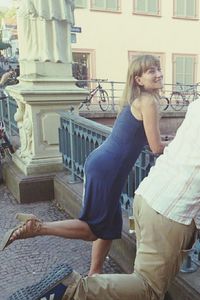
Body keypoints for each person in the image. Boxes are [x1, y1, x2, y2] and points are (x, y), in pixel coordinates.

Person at [0, 55, 166, 278]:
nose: (158, 74)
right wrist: (182, 143)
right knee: (93, 228)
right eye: (151, 71)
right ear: (138, 79)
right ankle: (38, 227)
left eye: (159, 69)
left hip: (102, 163)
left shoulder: (137, 100)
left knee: (110, 225)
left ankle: (94, 274)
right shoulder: (149, 101)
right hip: (108, 169)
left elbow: (141, 137)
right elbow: (155, 147)